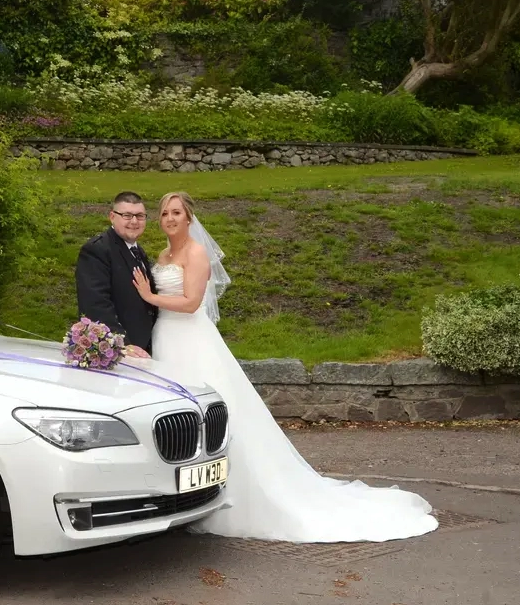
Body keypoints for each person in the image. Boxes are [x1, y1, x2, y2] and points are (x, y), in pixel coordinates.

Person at [128, 191, 439, 543]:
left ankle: (234, 495)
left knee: (217, 415)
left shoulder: (196, 253)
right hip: (165, 338)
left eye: (176, 212)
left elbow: (191, 302)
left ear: (189, 218)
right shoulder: (164, 254)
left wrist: (149, 297)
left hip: (191, 338)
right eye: (165, 213)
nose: (169, 218)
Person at [74, 191, 157, 359]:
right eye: (127, 215)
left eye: (140, 216)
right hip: (119, 354)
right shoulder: (97, 250)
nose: (134, 221)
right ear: (112, 216)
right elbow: (95, 304)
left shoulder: (137, 250)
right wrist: (123, 345)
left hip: (144, 349)